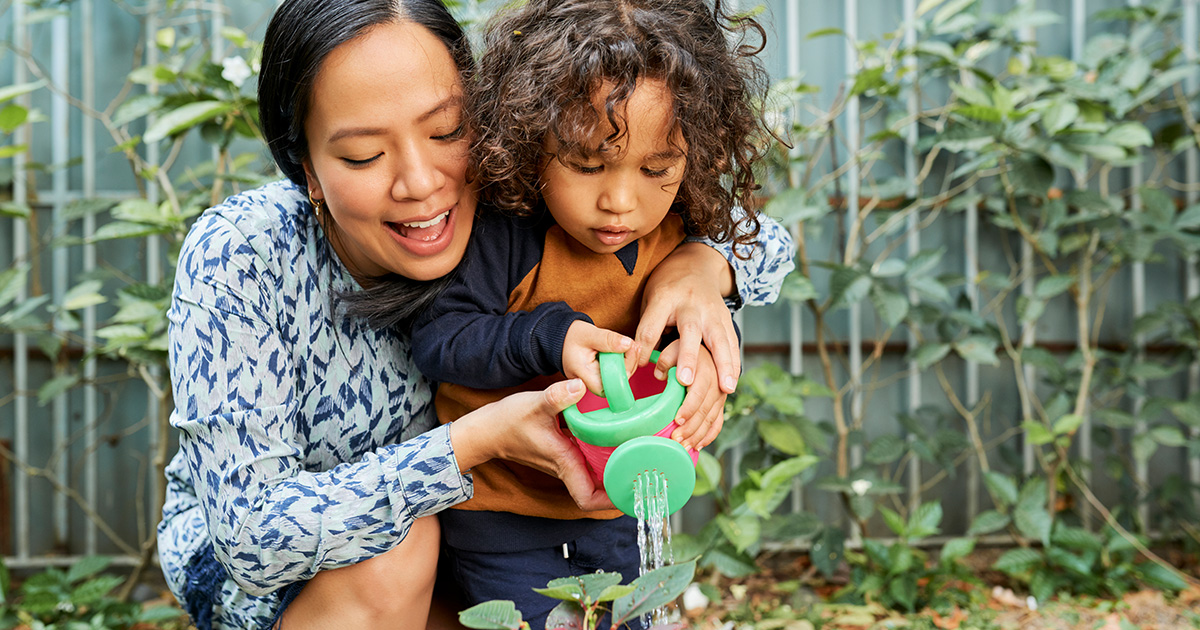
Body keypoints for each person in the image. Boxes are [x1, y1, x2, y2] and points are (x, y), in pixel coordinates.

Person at [155, 0, 795, 628]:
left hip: (476, 557)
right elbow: (251, 540)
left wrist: (702, 272)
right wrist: (472, 443)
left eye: (445, 131)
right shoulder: (246, 254)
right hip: (310, 579)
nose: (420, 181)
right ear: (306, 170)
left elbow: (754, 235)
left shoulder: (532, 181)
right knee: (400, 553)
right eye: (362, 156)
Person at [408, 0, 782, 626]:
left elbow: (763, 257)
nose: (619, 200)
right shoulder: (506, 234)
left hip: (623, 505)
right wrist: (551, 337)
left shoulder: (683, 232)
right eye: (585, 165)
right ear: (530, 139)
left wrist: (703, 364)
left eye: (656, 168)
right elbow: (442, 339)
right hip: (505, 515)